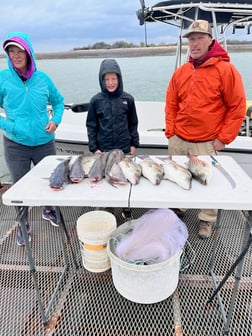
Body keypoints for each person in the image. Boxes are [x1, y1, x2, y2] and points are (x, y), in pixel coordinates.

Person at [165, 20, 246, 239]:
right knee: (177, 177)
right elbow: (171, 102)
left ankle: (206, 219)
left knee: (208, 183)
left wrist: (223, 139)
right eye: (191, 39)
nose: (195, 43)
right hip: (179, 139)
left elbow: (237, 107)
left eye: (200, 37)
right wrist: (171, 132)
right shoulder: (181, 72)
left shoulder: (226, 70)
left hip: (206, 142)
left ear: (211, 40)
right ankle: (180, 208)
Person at [0, 32, 64, 246]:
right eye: (11, 51)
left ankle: (48, 209)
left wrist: (55, 120)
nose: (16, 55)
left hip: (45, 143)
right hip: (15, 145)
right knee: (20, 187)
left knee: (51, 180)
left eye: (20, 51)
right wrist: (11, 126)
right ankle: (23, 223)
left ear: (29, 53)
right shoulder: (3, 79)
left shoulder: (43, 79)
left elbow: (58, 101)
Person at [86, 58, 139, 155]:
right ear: (102, 80)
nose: (110, 83)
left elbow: (133, 123)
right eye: (107, 79)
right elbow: (91, 126)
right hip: (103, 150)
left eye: (114, 79)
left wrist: (134, 144)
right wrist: (94, 148)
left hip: (124, 149)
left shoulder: (128, 99)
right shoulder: (95, 101)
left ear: (119, 79)